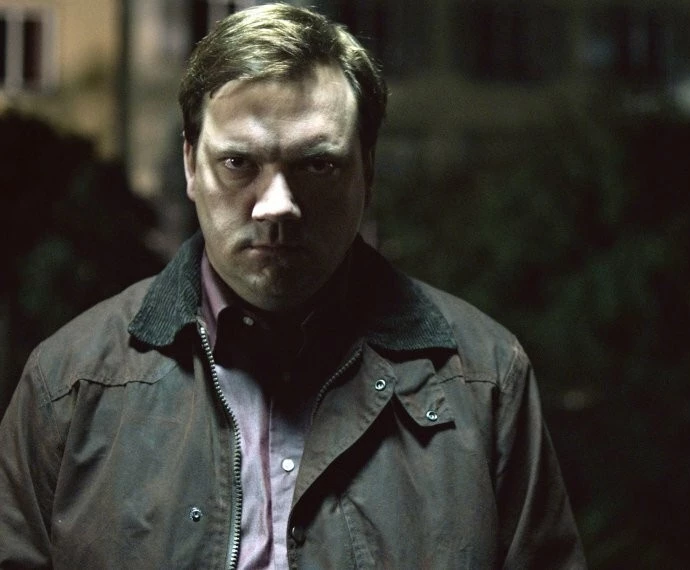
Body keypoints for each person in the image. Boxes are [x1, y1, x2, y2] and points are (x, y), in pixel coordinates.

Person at [0, 4, 587, 569]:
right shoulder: (68, 382)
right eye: (239, 163)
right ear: (189, 165)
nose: (276, 205)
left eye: (317, 164)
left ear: (368, 171)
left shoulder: (487, 379)